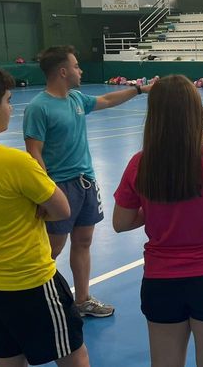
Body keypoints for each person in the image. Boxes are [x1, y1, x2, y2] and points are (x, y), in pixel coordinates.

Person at [0, 65, 88, 366]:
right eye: (9, 101)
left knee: (8, 357)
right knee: (74, 355)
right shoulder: (14, 162)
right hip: (28, 280)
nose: (11, 108)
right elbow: (62, 209)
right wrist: (34, 208)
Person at [113, 74, 203, 367]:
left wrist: (157, 210)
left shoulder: (140, 164)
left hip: (161, 280)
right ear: (194, 113)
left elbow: (122, 222)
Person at [23, 46, 152, 318]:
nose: (80, 70)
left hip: (86, 183)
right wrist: (47, 192)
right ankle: (35, 303)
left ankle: (81, 300)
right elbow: (34, 152)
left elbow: (106, 100)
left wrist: (140, 90)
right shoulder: (38, 107)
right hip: (59, 187)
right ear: (62, 71)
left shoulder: (76, 99)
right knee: (51, 249)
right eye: (76, 65)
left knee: (83, 241)